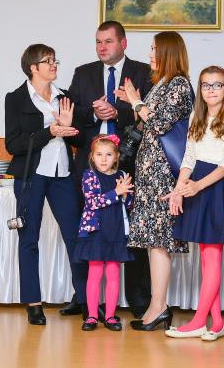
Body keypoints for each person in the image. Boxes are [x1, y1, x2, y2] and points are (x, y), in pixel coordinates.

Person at [67, 21, 153, 318]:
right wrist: (93, 112)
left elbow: (151, 115)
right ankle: (85, 299)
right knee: (88, 229)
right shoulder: (83, 73)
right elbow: (72, 115)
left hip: (130, 163)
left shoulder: (143, 72)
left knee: (131, 229)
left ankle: (138, 300)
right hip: (91, 165)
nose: (101, 47)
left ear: (123, 43)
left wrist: (119, 112)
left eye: (108, 41)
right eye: (98, 42)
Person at [4, 43, 86, 325]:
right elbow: (13, 144)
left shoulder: (65, 97)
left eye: (54, 60)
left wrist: (69, 127)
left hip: (62, 174)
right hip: (31, 175)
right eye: (48, 61)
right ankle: (33, 303)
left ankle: (85, 299)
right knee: (29, 238)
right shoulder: (15, 99)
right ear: (33, 67)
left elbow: (79, 139)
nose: (54, 65)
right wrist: (50, 131)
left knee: (75, 236)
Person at [163, 66, 224, 341]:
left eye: (217, 85)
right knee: (207, 259)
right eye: (206, 85)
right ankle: (216, 323)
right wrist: (179, 189)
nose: (211, 90)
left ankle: (199, 321)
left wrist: (197, 186)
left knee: (213, 255)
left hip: (215, 185)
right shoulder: (195, 115)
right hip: (196, 182)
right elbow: (188, 158)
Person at [123, 31, 194, 331]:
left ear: (168, 52)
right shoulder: (161, 84)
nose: (150, 54)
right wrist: (135, 104)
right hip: (149, 172)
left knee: (159, 241)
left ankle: (158, 307)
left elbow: (161, 123)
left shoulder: (179, 84)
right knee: (153, 242)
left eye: (155, 49)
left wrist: (136, 102)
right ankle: (158, 305)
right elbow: (146, 122)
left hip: (163, 173)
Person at [73, 134, 134, 332]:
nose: (104, 159)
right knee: (95, 273)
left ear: (116, 157)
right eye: (99, 154)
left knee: (114, 273)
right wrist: (116, 193)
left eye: (108, 155)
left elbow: (129, 203)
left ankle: (110, 316)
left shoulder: (122, 176)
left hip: (115, 230)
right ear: (92, 156)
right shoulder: (89, 176)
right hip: (96, 232)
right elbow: (92, 202)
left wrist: (126, 194)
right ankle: (92, 316)